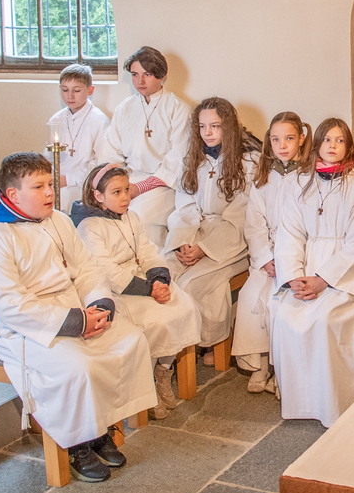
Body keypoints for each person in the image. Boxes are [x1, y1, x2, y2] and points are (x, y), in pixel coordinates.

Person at [0, 152, 155, 483]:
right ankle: (77, 443)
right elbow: (11, 306)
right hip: (23, 328)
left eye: (50, 184)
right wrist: (77, 322)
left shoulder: (57, 220)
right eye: (38, 187)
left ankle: (99, 428)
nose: (49, 193)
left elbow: (87, 268)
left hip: (73, 308)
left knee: (130, 340)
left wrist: (99, 306)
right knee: (77, 366)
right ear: (13, 194)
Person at [271, 118, 354, 427]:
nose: (332, 146)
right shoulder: (300, 183)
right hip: (306, 268)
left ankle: (332, 402)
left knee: (324, 319)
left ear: (349, 147)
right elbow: (289, 233)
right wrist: (294, 276)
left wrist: (323, 280)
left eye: (340, 140)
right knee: (286, 315)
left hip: (345, 277)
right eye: (327, 140)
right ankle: (301, 402)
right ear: (316, 144)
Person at [73, 163, 202, 420]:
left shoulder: (131, 217)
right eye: (116, 192)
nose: (125, 197)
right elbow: (106, 270)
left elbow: (147, 250)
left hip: (144, 280)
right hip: (119, 290)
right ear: (98, 196)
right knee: (154, 321)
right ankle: (147, 385)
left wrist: (159, 279)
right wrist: (148, 290)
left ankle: (163, 372)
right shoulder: (89, 226)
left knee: (183, 307)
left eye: (126, 190)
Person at [164, 97, 259, 363]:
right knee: (164, 273)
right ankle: (166, 347)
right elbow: (184, 205)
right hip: (193, 231)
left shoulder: (249, 161)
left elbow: (242, 214)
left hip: (230, 242)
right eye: (202, 126)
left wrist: (204, 249)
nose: (208, 133)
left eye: (215, 126)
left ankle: (177, 356)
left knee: (190, 284)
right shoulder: (193, 159)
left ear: (228, 126)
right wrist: (184, 242)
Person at [233, 111, 312, 394]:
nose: (282, 145)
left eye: (289, 138)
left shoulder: (310, 176)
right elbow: (254, 223)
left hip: (299, 255)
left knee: (282, 302)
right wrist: (266, 257)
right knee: (251, 295)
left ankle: (283, 369)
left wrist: (290, 259)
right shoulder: (264, 178)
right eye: (276, 139)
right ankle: (261, 364)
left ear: (301, 138)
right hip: (269, 254)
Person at [99, 47, 191, 246]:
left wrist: (139, 187)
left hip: (163, 185)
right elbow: (111, 151)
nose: (140, 81)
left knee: (138, 216)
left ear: (161, 74)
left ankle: (148, 263)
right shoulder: (125, 108)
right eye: (134, 75)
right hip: (128, 179)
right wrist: (115, 182)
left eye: (147, 74)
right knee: (100, 214)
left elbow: (177, 160)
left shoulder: (178, 109)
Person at [46, 63, 111, 213]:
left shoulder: (100, 121)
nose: (70, 95)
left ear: (90, 90)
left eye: (76, 90)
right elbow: (48, 157)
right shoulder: (57, 119)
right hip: (55, 181)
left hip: (83, 184)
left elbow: (101, 164)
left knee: (61, 201)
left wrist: (67, 179)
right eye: (65, 90)